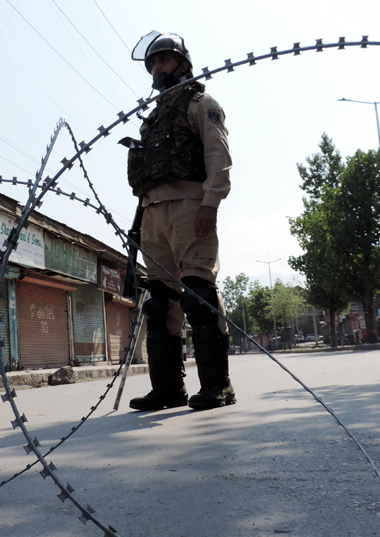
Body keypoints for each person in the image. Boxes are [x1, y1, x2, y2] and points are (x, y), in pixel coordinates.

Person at [123, 32, 235, 411]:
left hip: (190, 206)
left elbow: (218, 157)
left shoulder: (201, 104)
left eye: (164, 60)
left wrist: (210, 204)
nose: (157, 67)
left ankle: (218, 386)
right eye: (153, 62)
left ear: (183, 64)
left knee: (198, 294)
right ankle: (168, 389)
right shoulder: (153, 118)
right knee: (158, 304)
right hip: (152, 213)